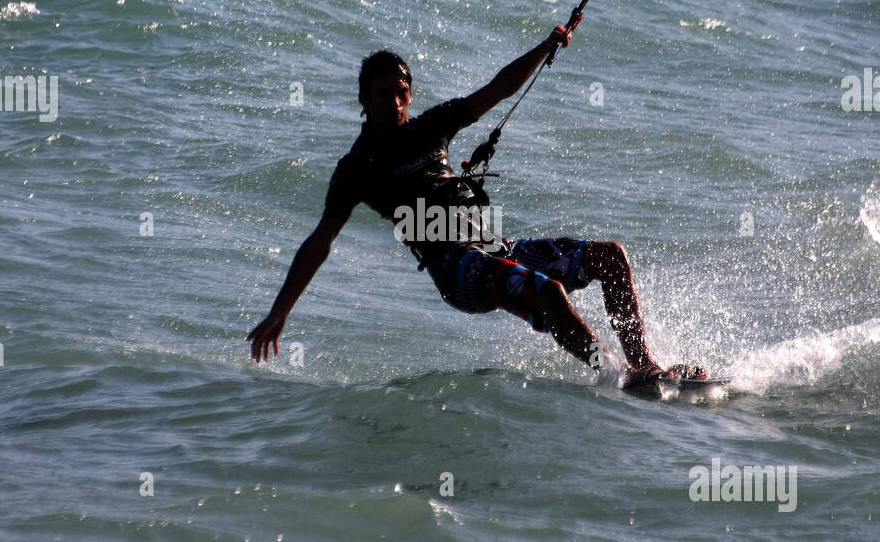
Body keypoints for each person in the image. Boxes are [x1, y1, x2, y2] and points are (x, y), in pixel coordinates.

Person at [247, 25, 706, 386]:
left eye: (401, 92)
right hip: (455, 269)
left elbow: (497, 89)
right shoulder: (357, 169)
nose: (394, 101)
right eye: (383, 93)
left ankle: (644, 365)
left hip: (491, 246)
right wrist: (280, 311)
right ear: (364, 99)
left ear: (410, 95)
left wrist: (547, 45)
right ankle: (617, 377)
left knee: (611, 256)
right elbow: (319, 243)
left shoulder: (430, 128)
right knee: (548, 293)